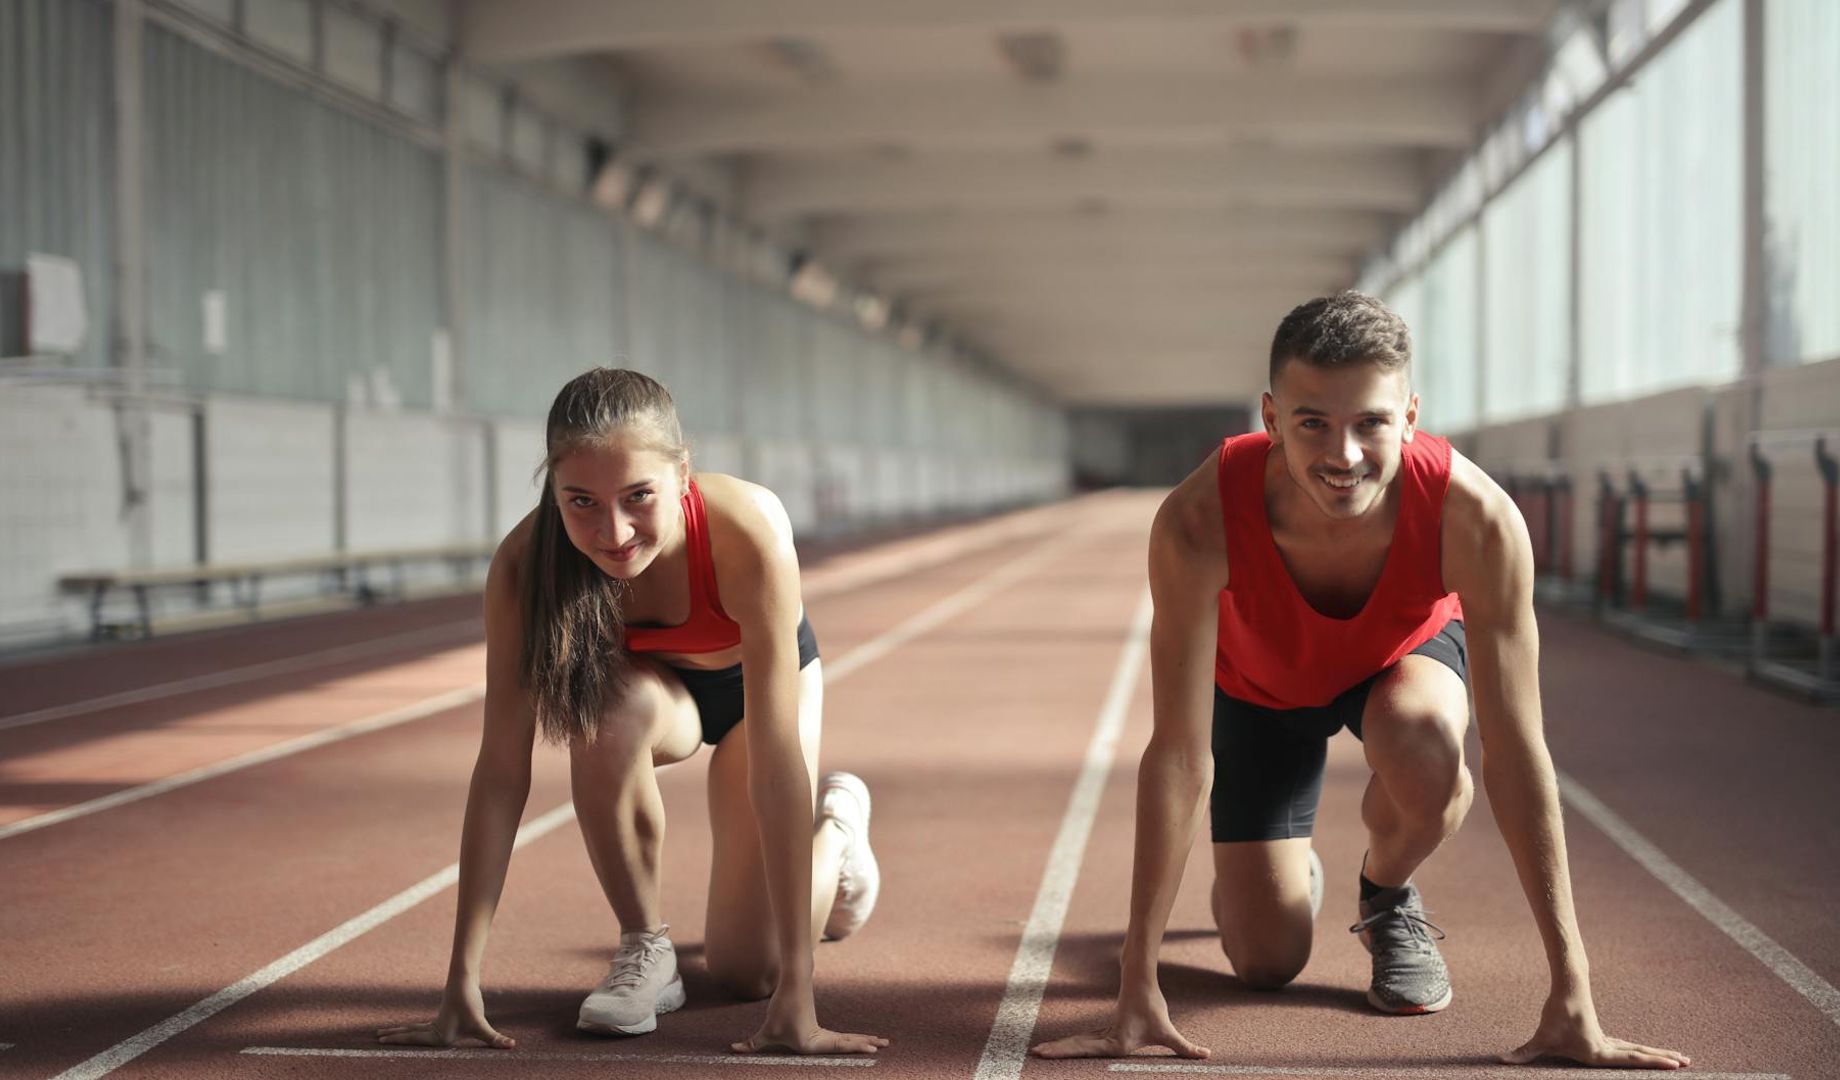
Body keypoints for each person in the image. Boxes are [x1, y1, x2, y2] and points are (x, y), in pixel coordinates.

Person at [1034, 293, 1689, 1070]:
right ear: (1271, 419)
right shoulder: (1198, 521)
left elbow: (1517, 752)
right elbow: (1178, 753)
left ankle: (1386, 891)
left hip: (1398, 665)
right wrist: (1136, 984)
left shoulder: (1477, 521)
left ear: (1409, 417)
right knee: (1265, 961)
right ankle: (1274, 879)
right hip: (1258, 690)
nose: (1343, 455)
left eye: (1370, 422)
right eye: (1313, 422)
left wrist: (1573, 990)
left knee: (1428, 750)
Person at [377, 368, 886, 1056]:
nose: (613, 532)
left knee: (749, 972)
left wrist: (800, 992)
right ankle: (646, 948)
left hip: (758, 692)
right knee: (603, 713)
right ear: (553, 489)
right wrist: (461, 980)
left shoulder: (747, 529)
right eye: (581, 502)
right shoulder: (525, 567)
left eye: (638, 496)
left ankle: (838, 833)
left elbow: (775, 765)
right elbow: (500, 770)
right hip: (655, 696)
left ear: (683, 474)